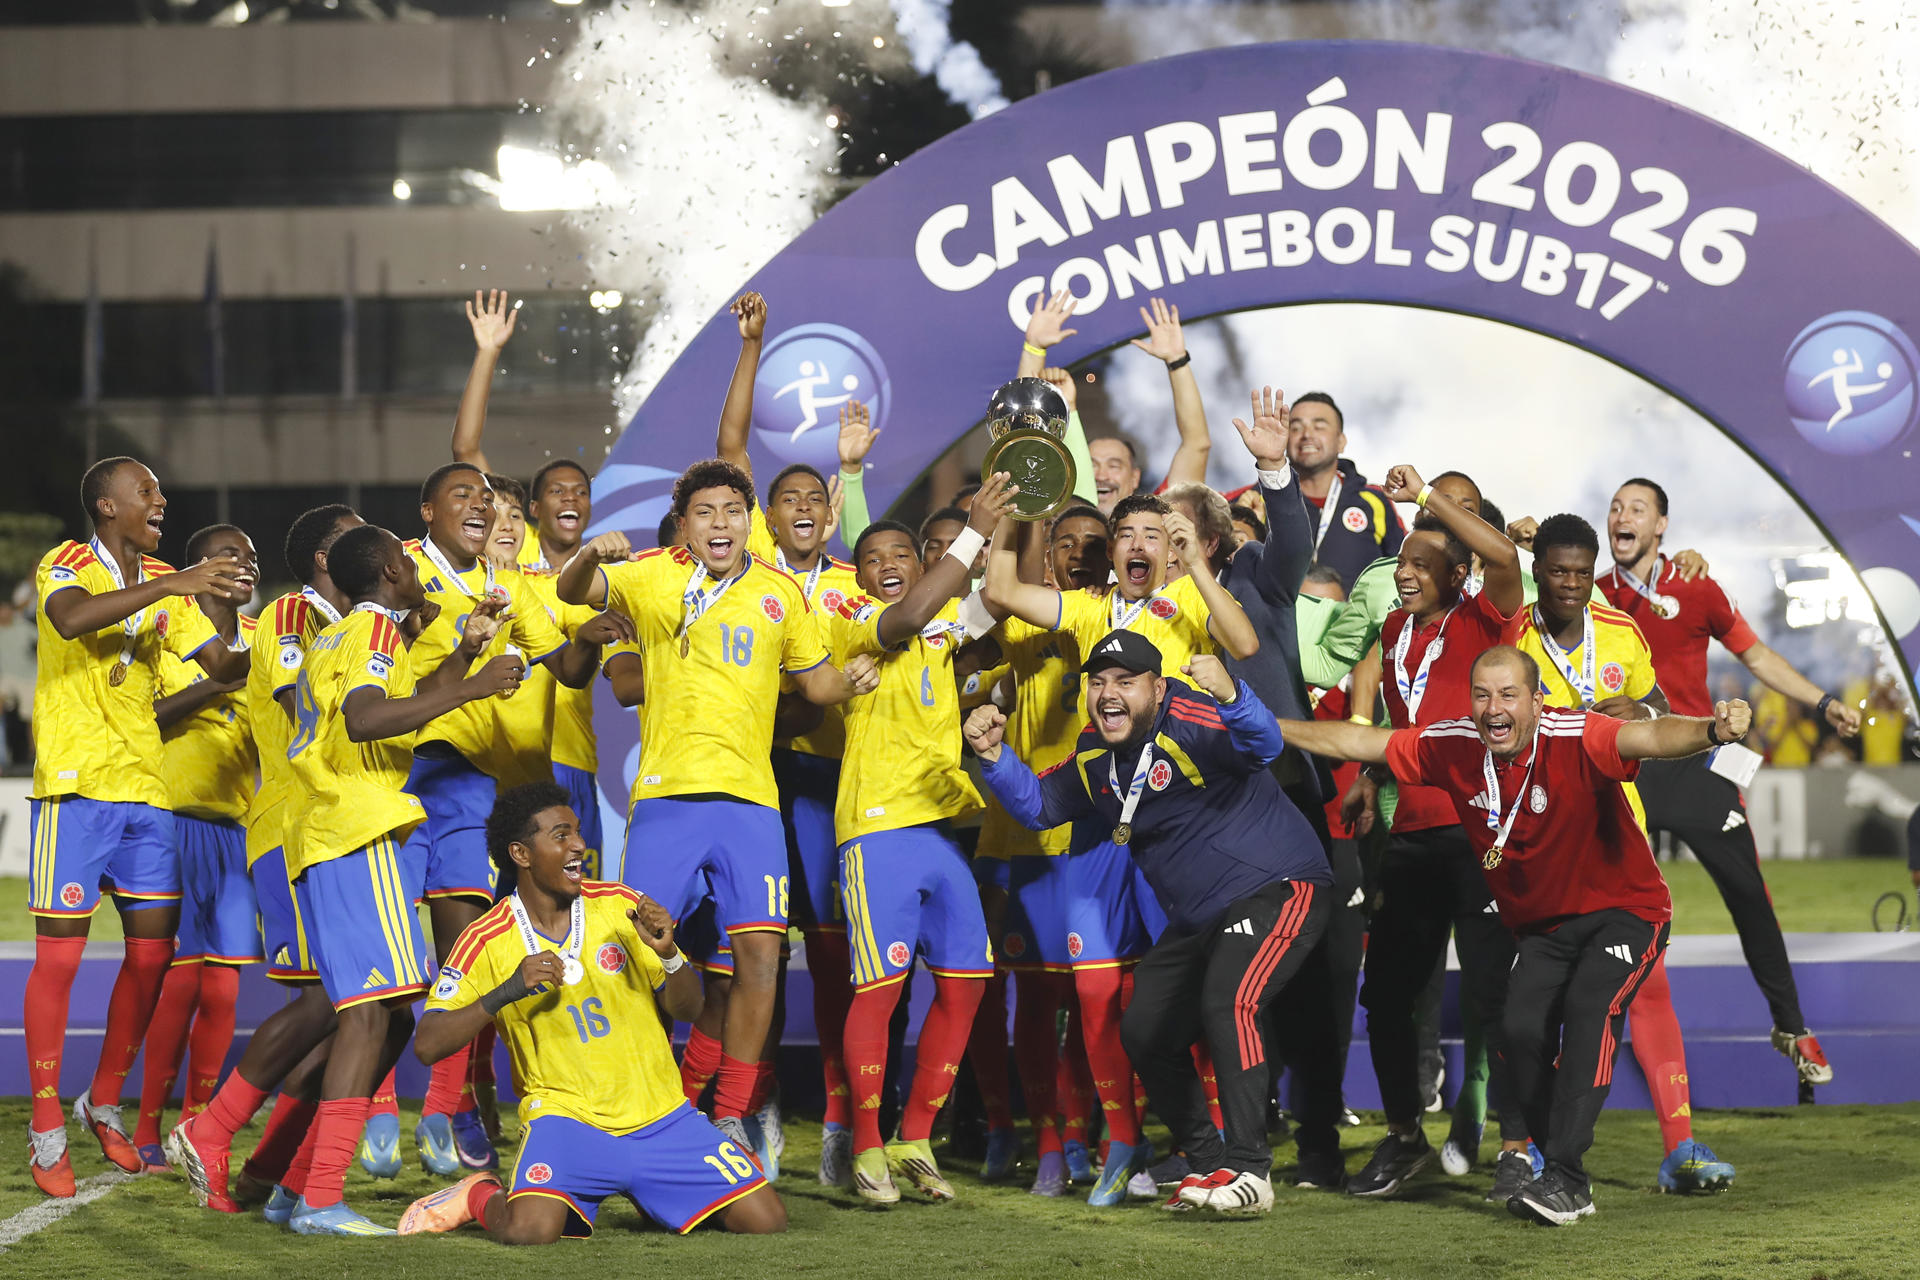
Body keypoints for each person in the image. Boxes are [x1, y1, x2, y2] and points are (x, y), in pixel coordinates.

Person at [1278, 646, 1755, 1226]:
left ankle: (1568, 1180)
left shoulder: (1577, 734)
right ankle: (1556, 1165)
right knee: (1519, 1030)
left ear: (1537, 700)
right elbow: (1364, 742)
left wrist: (1713, 730)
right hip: (1544, 928)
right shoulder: (1454, 744)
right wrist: (1273, 726)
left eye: (1508, 695)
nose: (1493, 708)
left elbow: (1652, 736)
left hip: (1626, 912)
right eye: (1482, 695)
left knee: (1589, 1010)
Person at [181, 523, 521, 1236]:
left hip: (330, 831)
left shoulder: (342, 635)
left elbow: (382, 708)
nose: (415, 566)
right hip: (351, 829)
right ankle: (314, 1194)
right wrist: (477, 686)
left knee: (382, 1016)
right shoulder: (365, 630)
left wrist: (464, 657)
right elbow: (367, 721)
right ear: (390, 570)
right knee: (364, 1015)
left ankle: (294, 1183)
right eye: (405, 559)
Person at [556, 458, 871, 1160]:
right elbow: (570, 589)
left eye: (732, 510)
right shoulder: (650, 575)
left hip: (751, 804)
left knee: (760, 958)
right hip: (666, 800)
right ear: (685, 524)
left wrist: (852, 679)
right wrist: (590, 554)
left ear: (749, 521)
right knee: (635, 955)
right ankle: (637, 1106)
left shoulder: (779, 592)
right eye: (705, 512)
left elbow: (817, 685)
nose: (720, 523)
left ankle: (730, 1115)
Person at [969, 633, 1332, 1217]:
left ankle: (1251, 1171)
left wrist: (1233, 694)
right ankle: (1208, 1160)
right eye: (1098, 682)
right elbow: (1040, 806)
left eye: (1125, 681)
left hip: (1279, 886)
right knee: (1143, 1028)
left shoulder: (1190, 715)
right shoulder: (1095, 755)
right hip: (1200, 917)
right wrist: (994, 757)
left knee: (1230, 1003)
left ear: (1158, 689)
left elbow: (1264, 745)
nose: (1107, 694)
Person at [984, 492, 1258, 1205]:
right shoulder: (1090, 610)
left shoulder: (1189, 599)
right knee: (1096, 988)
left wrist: (1198, 567)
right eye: (1125, 533)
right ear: (1112, 550)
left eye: (1152, 534)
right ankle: (1122, 1142)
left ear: (1170, 548)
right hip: (1102, 813)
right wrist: (1013, 504)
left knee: (1194, 991)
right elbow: (1002, 590)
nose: (1138, 544)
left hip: (1177, 821)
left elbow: (1246, 644)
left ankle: (1211, 1144)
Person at [396, 783, 785, 1241]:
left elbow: (690, 1008)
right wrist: (507, 991)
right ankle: (477, 1194)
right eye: (561, 835)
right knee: (528, 1231)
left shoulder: (622, 907)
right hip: (566, 1123)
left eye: (577, 832)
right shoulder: (487, 939)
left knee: (766, 1221)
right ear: (521, 854)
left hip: (661, 1117)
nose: (579, 845)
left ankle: (650, 1189)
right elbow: (428, 1044)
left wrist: (668, 954)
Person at [26, 456, 252, 1198]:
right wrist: (174, 585)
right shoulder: (66, 562)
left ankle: (103, 1100)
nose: (161, 500)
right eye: (146, 491)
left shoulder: (165, 580)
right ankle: (46, 1127)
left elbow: (222, 666)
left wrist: (253, 622)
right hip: (75, 789)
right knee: (59, 963)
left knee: (153, 957)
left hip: (147, 795)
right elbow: (69, 619)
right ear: (106, 505)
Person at [400, 460, 620, 1175]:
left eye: (509, 515)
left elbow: (573, 668)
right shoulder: (408, 571)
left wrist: (592, 636)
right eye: (483, 510)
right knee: (413, 955)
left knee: (495, 955)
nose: (497, 522)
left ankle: (472, 1105)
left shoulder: (529, 592)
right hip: (417, 778)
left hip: (515, 795)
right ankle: (402, 1108)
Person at [1598, 477, 1857, 1082]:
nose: (1622, 516)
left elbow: (1757, 656)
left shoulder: (1697, 585)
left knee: (1749, 896)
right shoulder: (1590, 591)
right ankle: (1578, 1037)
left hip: (1698, 762)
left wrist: (1823, 703)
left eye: (1637, 508)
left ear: (1661, 525)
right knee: (1599, 905)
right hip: (1627, 764)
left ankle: (1791, 1026)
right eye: (1615, 507)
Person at [1506, 512, 1734, 1195]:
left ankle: (1680, 1148)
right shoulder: (1513, 634)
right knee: (1535, 1003)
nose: (1572, 585)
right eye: (1558, 572)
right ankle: (1531, 1148)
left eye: (1583, 572)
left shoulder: (1622, 631)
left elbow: (1656, 708)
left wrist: (1641, 715)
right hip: (1539, 834)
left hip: (1616, 829)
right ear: (1538, 572)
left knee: (1648, 984)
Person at [1337, 465, 1535, 1203]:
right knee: (1387, 996)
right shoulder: (1394, 629)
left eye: (1423, 565)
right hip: (1413, 839)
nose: (1405, 574)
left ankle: (1518, 1146)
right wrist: (1371, 776)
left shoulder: (1486, 619)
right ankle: (1403, 1137)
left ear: (1457, 575)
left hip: (1483, 836)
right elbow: (1408, 726)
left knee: (1497, 998)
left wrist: (1427, 498)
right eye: (1403, 563)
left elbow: (1506, 556)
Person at [822, 476, 1015, 1203]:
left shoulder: (944, 627)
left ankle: (915, 1137)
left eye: (902, 554)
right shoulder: (852, 619)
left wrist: (1013, 521)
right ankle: (867, 1147)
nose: (888, 564)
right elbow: (909, 614)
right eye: (872, 558)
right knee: (880, 989)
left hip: (938, 825)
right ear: (858, 575)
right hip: (876, 827)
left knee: (966, 981)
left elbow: (995, 601)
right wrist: (974, 530)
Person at [168, 505, 364, 1217]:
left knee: (351, 1010)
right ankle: (210, 1130)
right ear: (324, 558)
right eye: (352, 538)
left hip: (332, 830)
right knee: (330, 1003)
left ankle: (269, 1174)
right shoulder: (290, 616)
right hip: (292, 830)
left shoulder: (346, 624)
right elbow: (301, 703)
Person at [708, 308, 867, 1178]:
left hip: (834, 786)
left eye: (815, 498)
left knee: (835, 956)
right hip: (756, 778)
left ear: (831, 512)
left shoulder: (856, 584)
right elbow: (731, 445)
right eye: (787, 499)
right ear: (765, 517)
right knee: (754, 950)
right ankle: (755, 1102)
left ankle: (841, 1119)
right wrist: (752, 347)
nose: (802, 507)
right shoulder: (757, 571)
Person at [972, 501, 1110, 1195]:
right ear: (1048, 556)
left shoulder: (1122, 620)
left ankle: (1088, 1135)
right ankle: (1047, 1142)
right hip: (1026, 835)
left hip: (1098, 835)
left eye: (1095, 543)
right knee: (1033, 996)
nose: (1081, 554)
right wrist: (1018, 510)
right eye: (1067, 543)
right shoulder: (1026, 623)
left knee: (1095, 998)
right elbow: (999, 593)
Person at [133, 525, 261, 1170]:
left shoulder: (265, 640)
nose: (245, 563)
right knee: (179, 984)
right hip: (173, 821)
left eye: (251, 557)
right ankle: (145, 1125)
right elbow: (144, 719)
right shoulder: (165, 628)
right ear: (198, 567)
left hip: (236, 830)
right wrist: (217, 684)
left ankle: (195, 1124)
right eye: (230, 554)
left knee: (224, 990)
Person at [1014, 290, 1208, 513]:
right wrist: (1034, 349)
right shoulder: (1050, 522)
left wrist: (1177, 361)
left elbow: (1197, 445)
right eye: (1091, 465)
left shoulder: (1158, 521)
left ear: (1135, 477)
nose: (1101, 476)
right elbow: (1019, 446)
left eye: (1114, 465)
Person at [1283, 392, 1403, 590]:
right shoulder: (1259, 499)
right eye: (1295, 428)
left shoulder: (1375, 501)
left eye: (1319, 427)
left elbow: (1406, 566)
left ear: (1341, 441)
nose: (1307, 435)